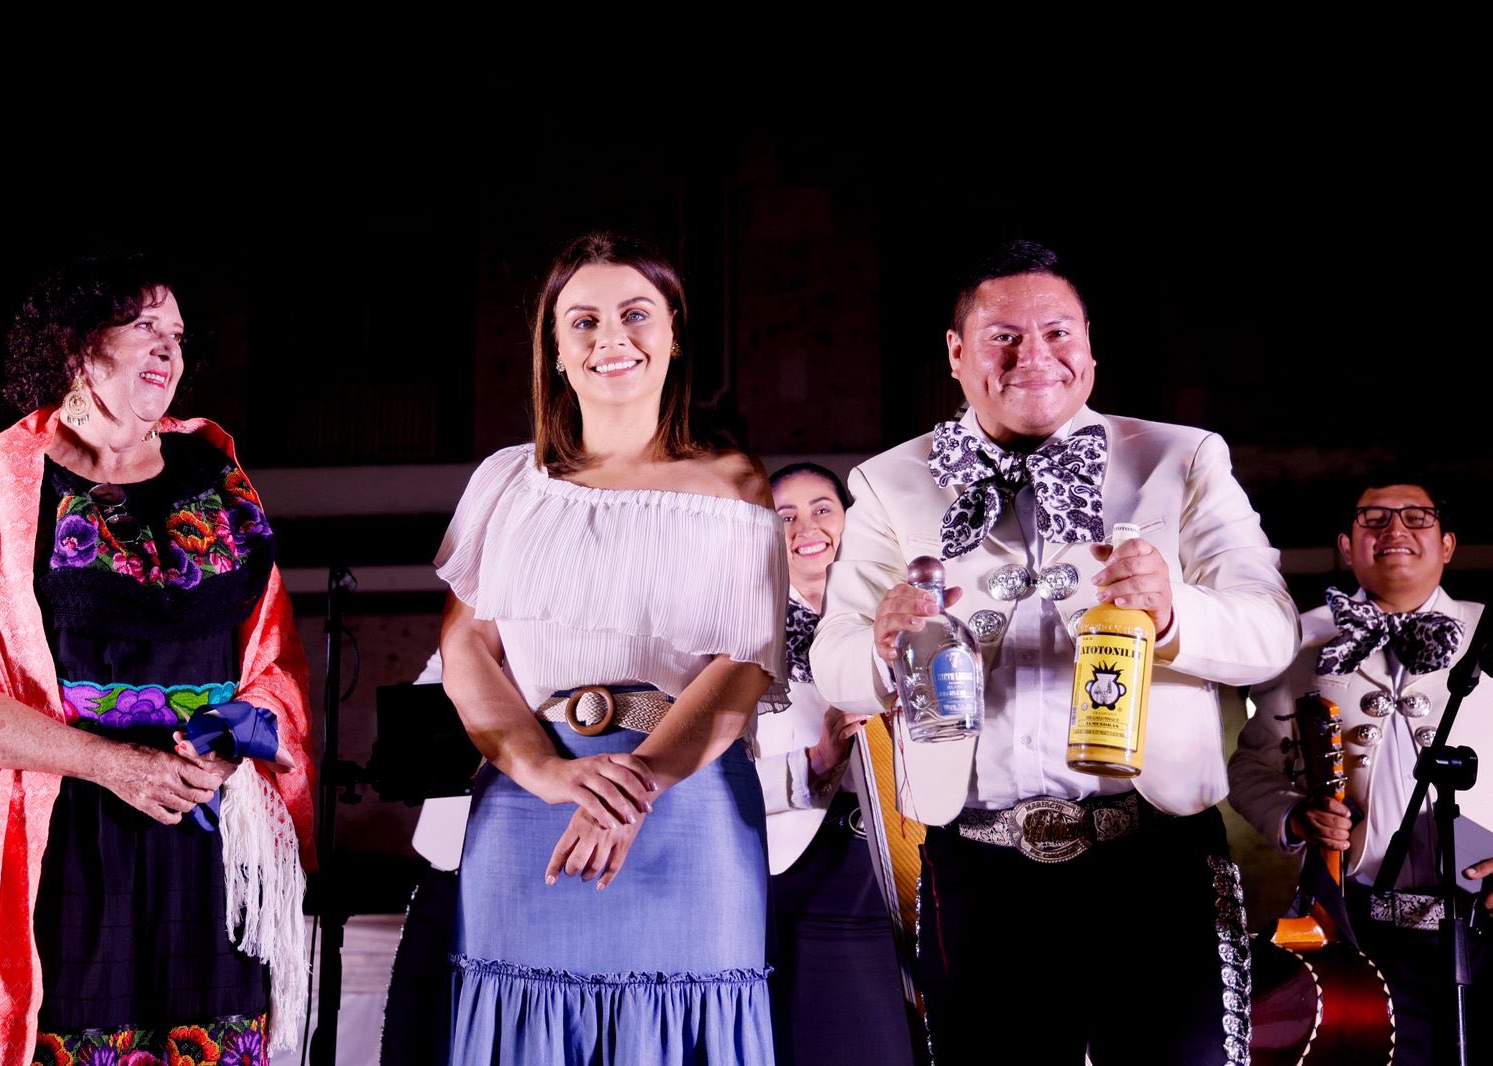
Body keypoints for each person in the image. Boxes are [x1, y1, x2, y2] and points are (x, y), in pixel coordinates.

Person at [809, 239, 1300, 1065]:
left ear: (1090, 347)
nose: (1033, 355)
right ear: (957, 354)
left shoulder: (1182, 458)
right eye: (1003, 337)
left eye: (1057, 332)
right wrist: (883, 643)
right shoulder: (888, 482)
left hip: (1153, 850)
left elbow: (1270, 631)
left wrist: (1172, 613)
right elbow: (835, 663)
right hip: (977, 862)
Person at [0, 257, 315, 1064]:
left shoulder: (220, 476)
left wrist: (232, 743)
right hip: (59, 841)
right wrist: (113, 764)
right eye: (144, 326)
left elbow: (276, 664)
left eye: (178, 335)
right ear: (78, 345)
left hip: (203, 837)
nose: (168, 350)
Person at [434, 232, 788, 1064]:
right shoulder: (506, 482)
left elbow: (743, 665)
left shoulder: (734, 484)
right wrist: (547, 773)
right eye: (583, 321)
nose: (610, 338)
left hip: (686, 801)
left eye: (635, 314)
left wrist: (636, 787)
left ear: (674, 333)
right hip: (529, 800)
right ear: (556, 351)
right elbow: (466, 649)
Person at [1229, 480, 1493, 1064]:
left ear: (1448, 545)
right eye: (1373, 519)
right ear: (1346, 547)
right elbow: (1250, 767)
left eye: (1417, 518)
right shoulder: (1298, 640)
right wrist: (1294, 815)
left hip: (1490, 921)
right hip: (1358, 931)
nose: (1395, 530)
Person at [757, 463, 915, 1065]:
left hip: (909, 853)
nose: (807, 528)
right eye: (786, 516)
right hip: (803, 868)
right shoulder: (745, 638)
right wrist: (814, 763)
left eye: (822, 509)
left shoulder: (906, 613)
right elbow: (716, 783)